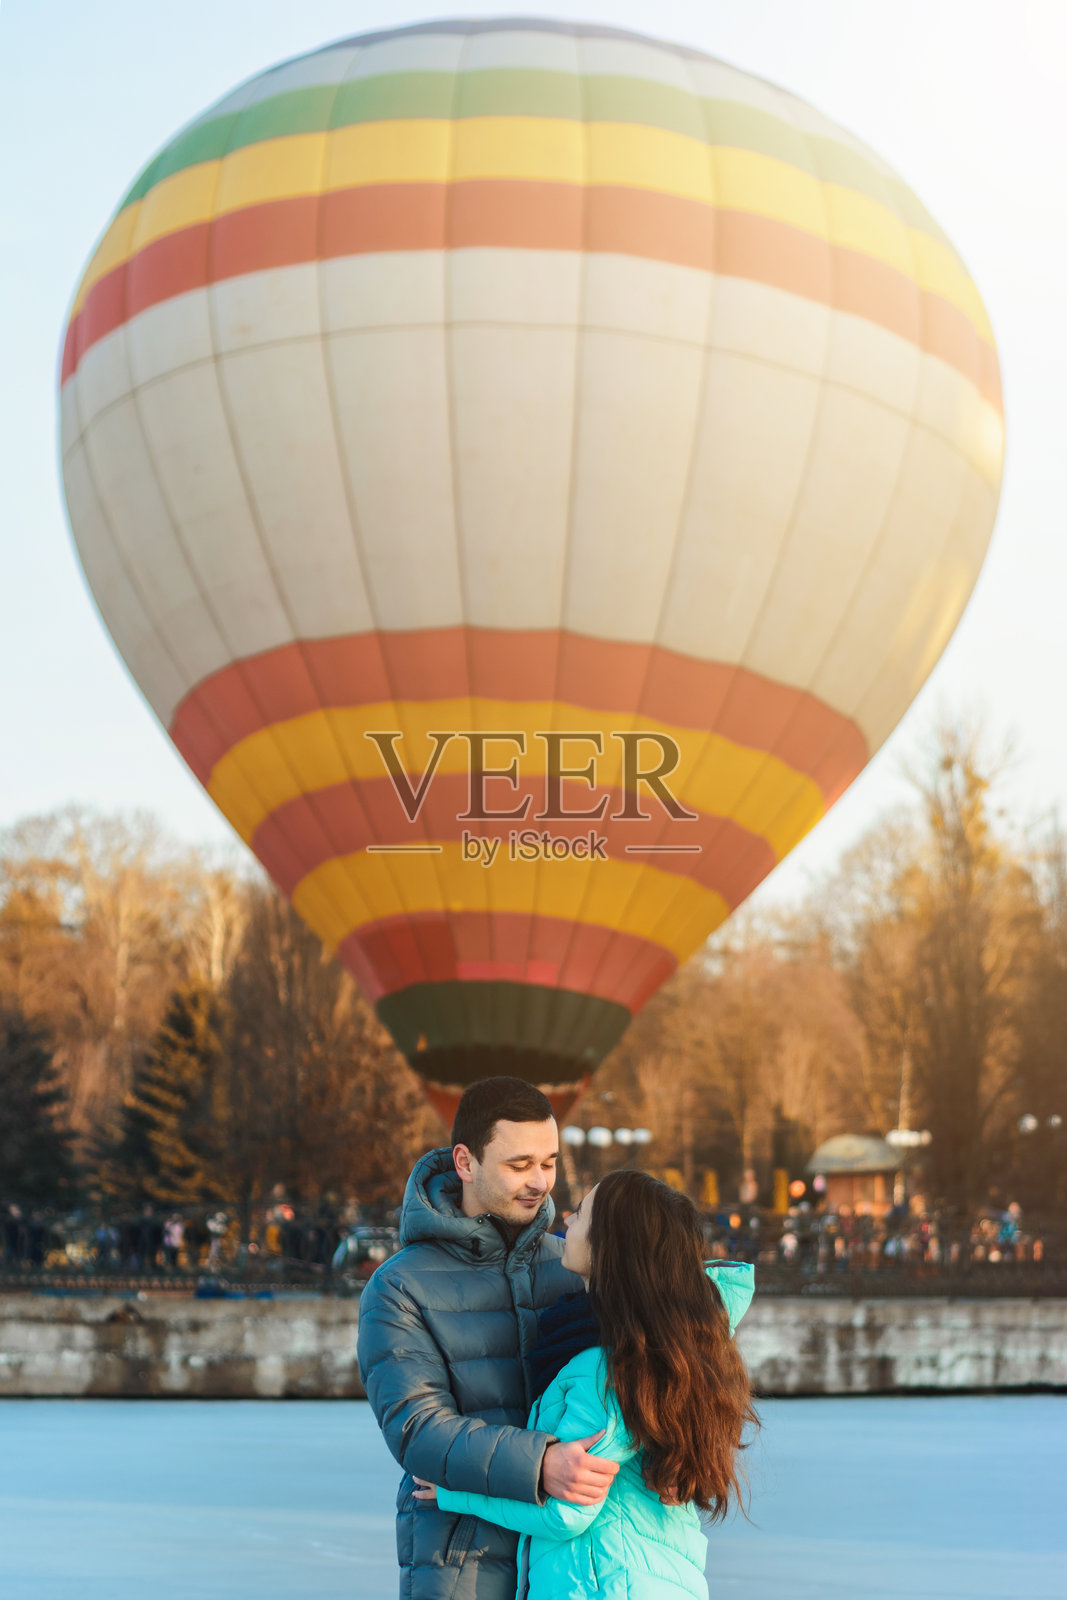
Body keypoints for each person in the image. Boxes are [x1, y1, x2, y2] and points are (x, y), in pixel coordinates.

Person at [414, 1170, 757, 1600]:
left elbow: (566, 1514)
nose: (569, 1220)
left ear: (611, 1245)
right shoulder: (665, 1353)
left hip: (600, 1584)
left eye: (583, 1213)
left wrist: (455, 1493)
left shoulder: (602, 1367)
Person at [356, 1077, 620, 1600]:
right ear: (465, 1162)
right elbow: (418, 1430)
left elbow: (643, 1368)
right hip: (463, 1562)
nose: (540, 1182)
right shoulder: (399, 1287)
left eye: (548, 1163)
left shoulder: (572, 1266)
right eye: (518, 1165)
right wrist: (541, 1462)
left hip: (572, 1559)